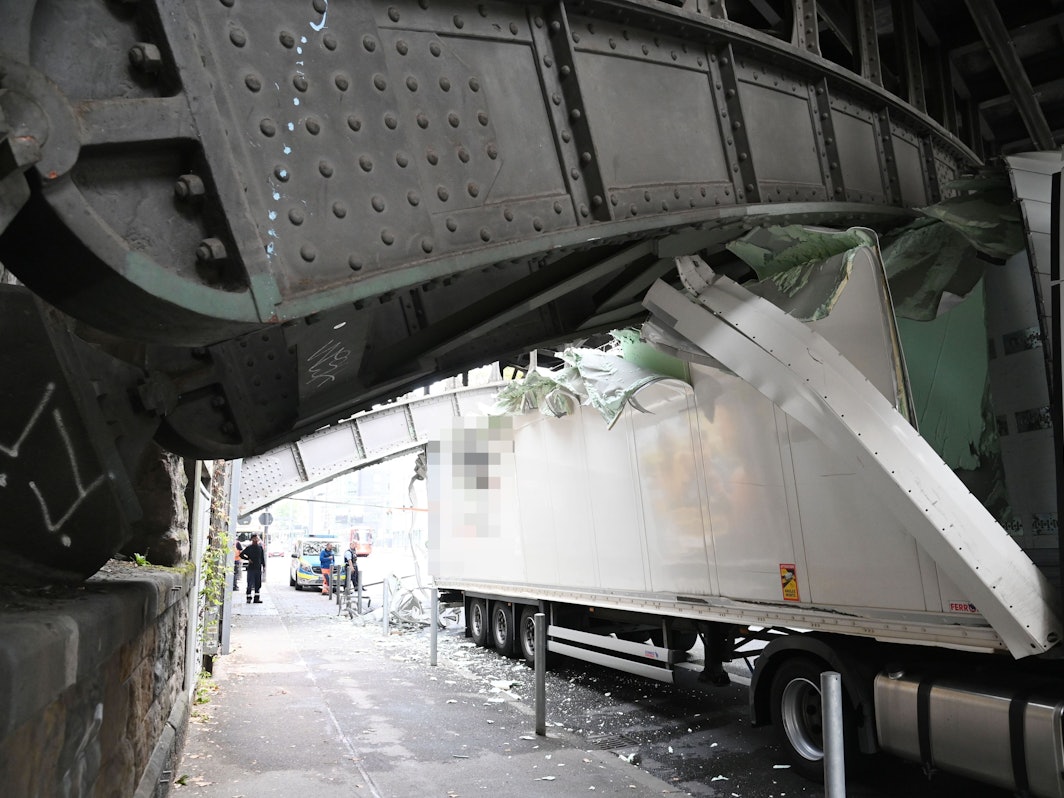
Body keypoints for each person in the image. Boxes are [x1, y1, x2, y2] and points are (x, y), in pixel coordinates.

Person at [240, 534, 266, 604]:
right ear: (252, 539)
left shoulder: (260, 548)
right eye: (254, 538)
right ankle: (248, 597)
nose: (256, 540)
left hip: (258, 568)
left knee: (258, 583)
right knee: (250, 583)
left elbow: (262, 558)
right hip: (251, 568)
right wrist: (248, 559)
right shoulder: (249, 548)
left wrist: (264, 566)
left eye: (257, 538)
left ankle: (256, 598)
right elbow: (241, 554)